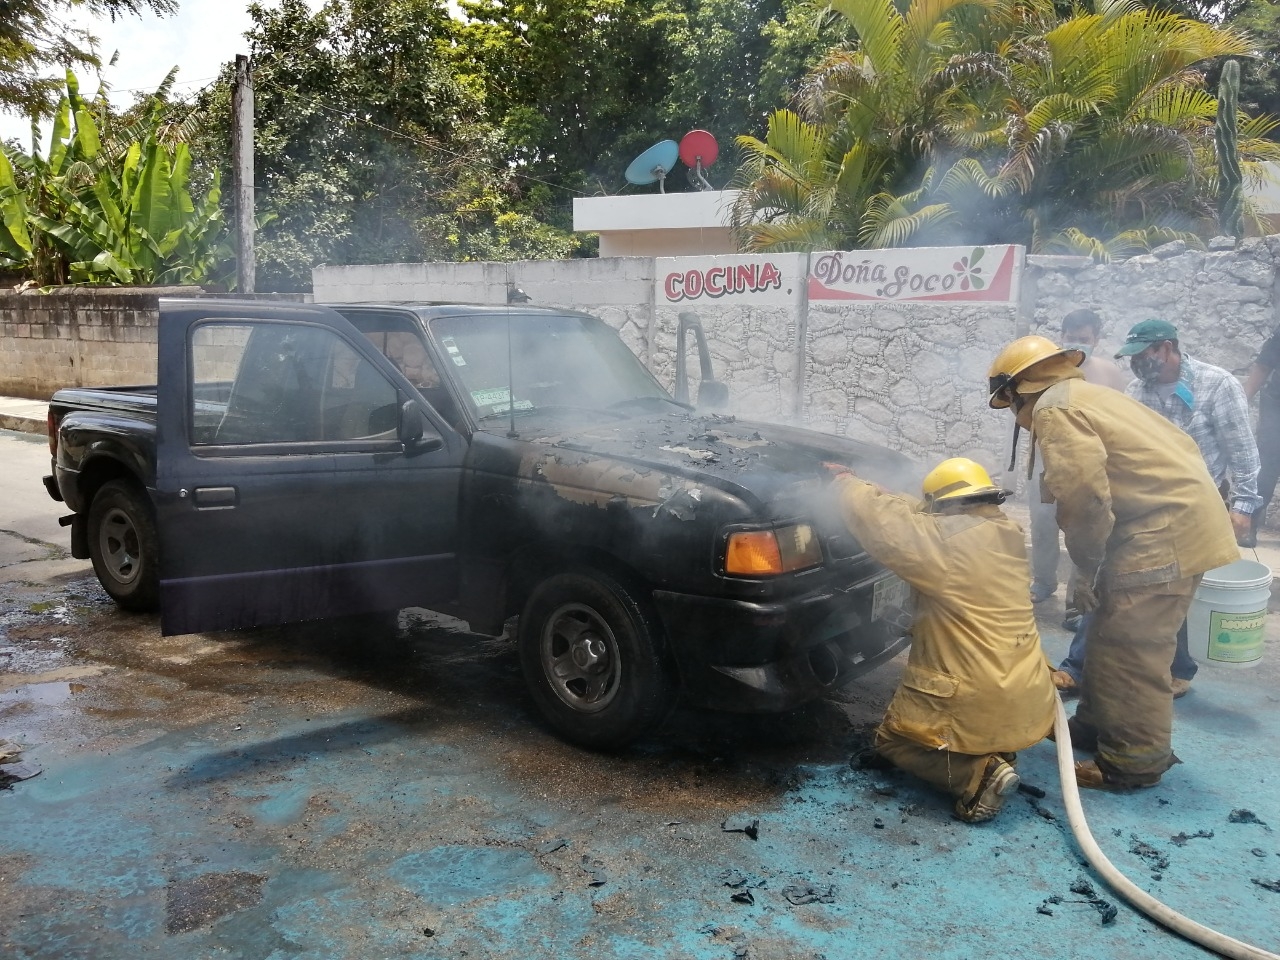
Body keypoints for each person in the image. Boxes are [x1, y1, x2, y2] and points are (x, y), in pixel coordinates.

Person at [987, 336, 1238, 790]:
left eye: (1008, 403)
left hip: (1162, 535)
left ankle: (1134, 763)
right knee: (1105, 632)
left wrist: (1084, 566)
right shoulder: (1087, 394)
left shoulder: (1054, 409)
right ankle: (1094, 727)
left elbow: (1083, 495)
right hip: (1165, 525)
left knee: (1132, 651)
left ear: (1016, 390)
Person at [827, 457, 1056, 822]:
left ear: (946, 506)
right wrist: (890, 493)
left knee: (891, 742)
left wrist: (844, 482)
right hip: (1027, 689)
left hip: (978, 693)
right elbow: (923, 517)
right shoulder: (1003, 531)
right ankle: (993, 750)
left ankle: (977, 776)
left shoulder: (945, 544)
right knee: (977, 726)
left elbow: (881, 521)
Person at [1116, 318, 1261, 696]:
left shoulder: (1218, 385)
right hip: (1148, 503)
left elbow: (1242, 453)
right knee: (1130, 580)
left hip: (1198, 503)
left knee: (1179, 586)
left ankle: (1179, 670)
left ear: (1166, 347)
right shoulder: (1136, 390)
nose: (1135, 364)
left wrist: (1243, 507)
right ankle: (1094, 665)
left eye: (1143, 354)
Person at [1029, 310, 1128, 606]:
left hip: (1092, 467)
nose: (1076, 344)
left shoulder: (1109, 373)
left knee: (1086, 528)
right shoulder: (1046, 371)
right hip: (1049, 461)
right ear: (1061, 337)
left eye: (1083, 339)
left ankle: (1077, 597)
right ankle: (1043, 582)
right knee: (1043, 524)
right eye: (1071, 338)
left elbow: (1120, 418)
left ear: (1096, 339)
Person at [1243, 327, 1280, 541]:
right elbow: (1263, 365)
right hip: (1277, 405)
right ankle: (1248, 523)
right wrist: (1244, 398)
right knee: (1266, 466)